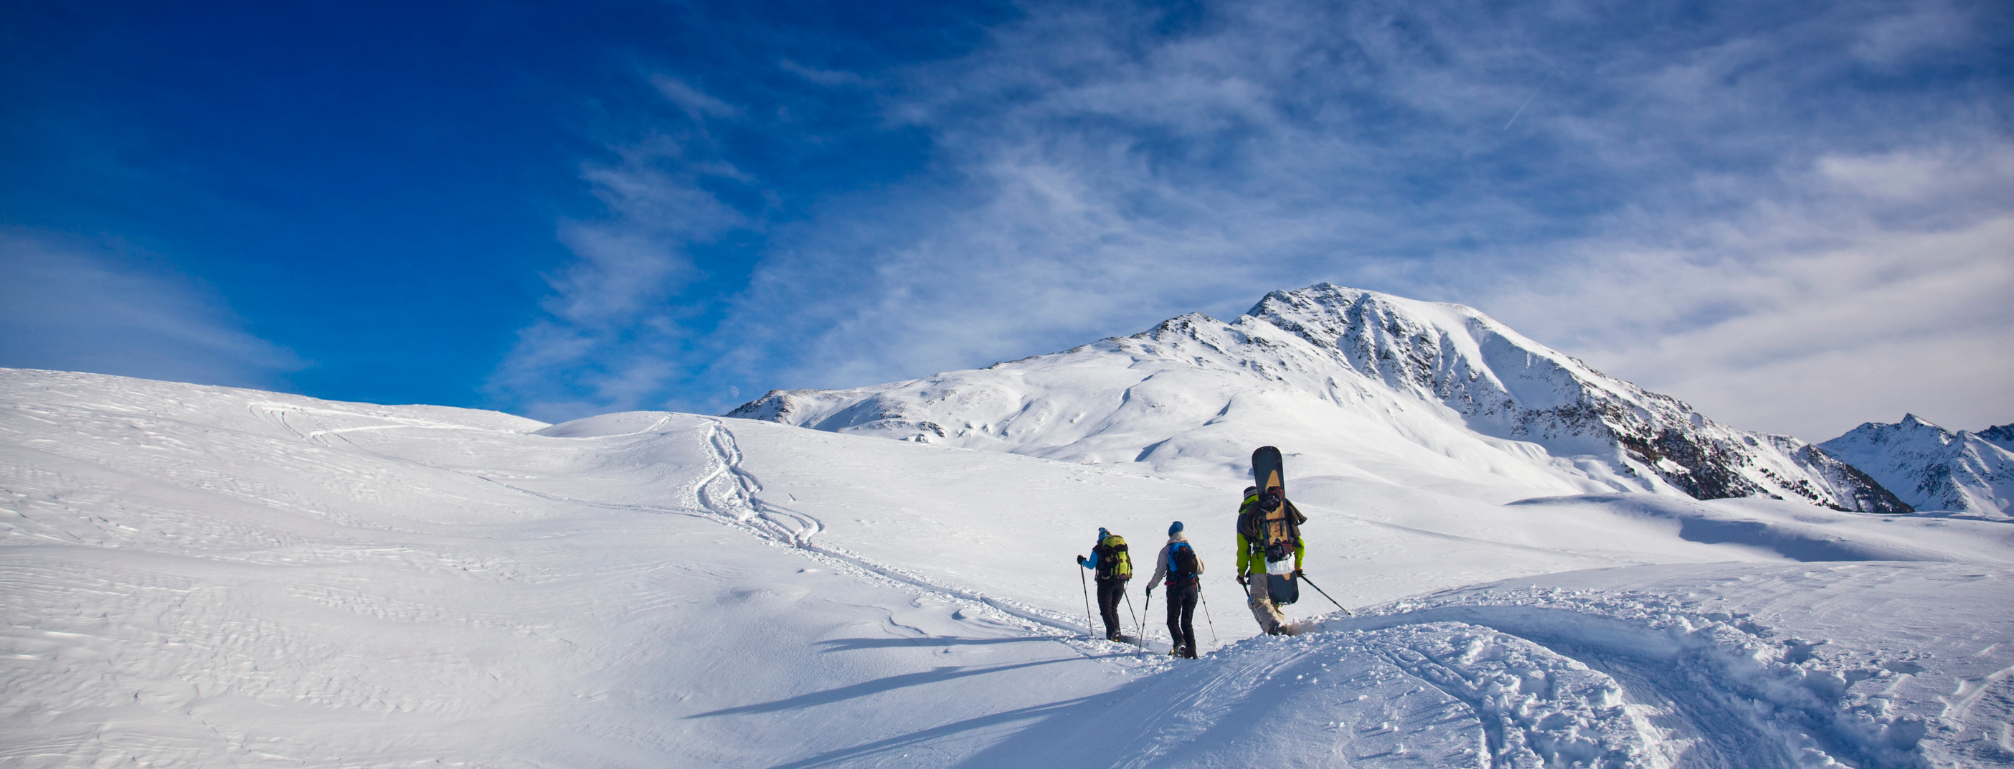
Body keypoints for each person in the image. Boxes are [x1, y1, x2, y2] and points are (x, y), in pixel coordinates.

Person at [1235, 484, 1305, 635]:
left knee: (1259, 601)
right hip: (1284, 562)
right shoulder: (1280, 509)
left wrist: (1241, 572)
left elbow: (1243, 549)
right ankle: (1282, 631)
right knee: (1276, 601)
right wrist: (1297, 566)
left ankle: (1275, 628)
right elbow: (1298, 542)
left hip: (1260, 565)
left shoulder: (1246, 515)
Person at [1143, 521, 1203, 658]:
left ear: (1171, 534)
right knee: (1187, 622)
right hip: (1192, 589)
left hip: (1176, 589)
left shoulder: (1167, 550)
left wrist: (1150, 586)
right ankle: (1192, 653)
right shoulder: (1189, 547)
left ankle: (1180, 644)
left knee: (1172, 620)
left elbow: (1159, 572)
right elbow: (1200, 569)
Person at [1076, 527, 1132, 642]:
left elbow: (1091, 565)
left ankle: (1113, 631)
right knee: (1113, 608)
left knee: (1105, 609)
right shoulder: (1119, 546)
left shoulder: (1098, 548)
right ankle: (1116, 632)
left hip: (1105, 583)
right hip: (1120, 581)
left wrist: (1082, 561)